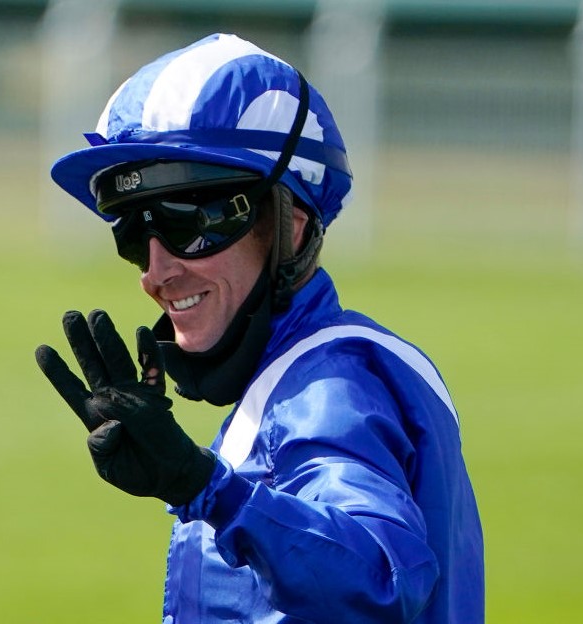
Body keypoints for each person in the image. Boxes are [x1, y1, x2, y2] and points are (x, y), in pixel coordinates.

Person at [35, 33, 484, 623]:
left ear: (290, 228)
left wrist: (205, 487)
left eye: (188, 223)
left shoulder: (328, 389)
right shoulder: (300, 377)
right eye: (133, 234)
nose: (156, 272)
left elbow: (381, 579)